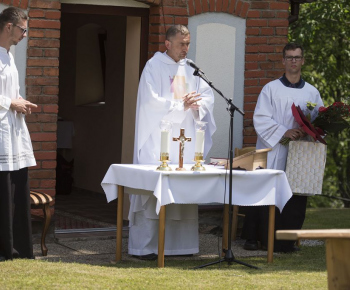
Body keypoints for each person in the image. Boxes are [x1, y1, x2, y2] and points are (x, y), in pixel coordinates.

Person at [129, 25, 216, 259]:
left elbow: (208, 96)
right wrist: (180, 105)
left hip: (186, 142)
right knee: (152, 196)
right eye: (181, 44)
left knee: (182, 194)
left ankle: (180, 247)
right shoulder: (153, 66)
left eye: (188, 43)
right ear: (168, 44)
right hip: (157, 141)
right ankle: (146, 247)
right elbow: (150, 102)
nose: (186, 48)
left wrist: (199, 105)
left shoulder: (191, 69)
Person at [242, 43, 323, 253]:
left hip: (300, 153)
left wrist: (308, 131)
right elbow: (260, 118)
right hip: (275, 149)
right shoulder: (271, 89)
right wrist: (283, 132)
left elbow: (319, 121)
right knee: (269, 194)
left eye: (297, 57)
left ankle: (286, 241)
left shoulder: (312, 92)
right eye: (289, 57)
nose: (293, 61)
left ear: (303, 60)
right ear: (283, 61)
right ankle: (264, 239)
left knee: (295, 197)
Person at [0, 7, 37, 261]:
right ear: (8, 27)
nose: (25, 34)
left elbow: (12, 91)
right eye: (23, 29)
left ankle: (18, 249)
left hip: (13, 132)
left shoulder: (10, 57)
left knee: (17, 190)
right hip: (1, 133)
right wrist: (10, 103)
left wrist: (21, 101)